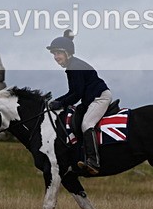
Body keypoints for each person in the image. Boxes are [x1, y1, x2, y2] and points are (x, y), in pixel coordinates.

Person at [47, 30, 111, 175]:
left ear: (67, 53)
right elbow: (74, 93)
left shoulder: (75, 67)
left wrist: (60, 104)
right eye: (54, 54)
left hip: (100, 98)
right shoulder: (72, 66)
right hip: (90, 99)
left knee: (86, 124)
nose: (56, 57)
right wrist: (57, 101)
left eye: (58, 53)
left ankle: (93, 162)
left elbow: (76, 94)